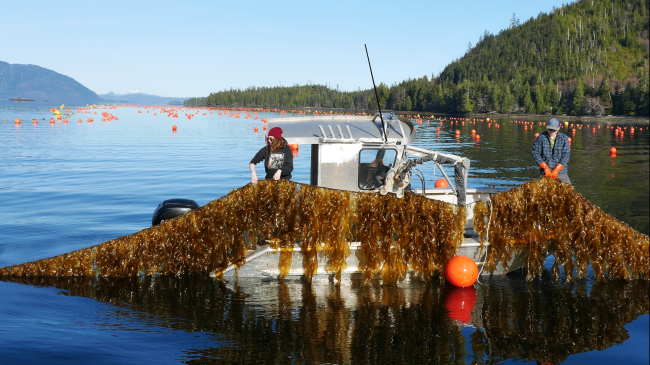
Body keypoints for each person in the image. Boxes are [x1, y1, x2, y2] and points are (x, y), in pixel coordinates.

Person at [532, 118, 571, 184]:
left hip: (561, 172)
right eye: (550, 129)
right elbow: (535, 153)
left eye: (554, 129)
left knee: (569, 193)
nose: (552, 131)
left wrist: (556, 170)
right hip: (545, 173)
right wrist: (545, 168)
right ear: (547, 127)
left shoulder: (564, 138)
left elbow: (566, 155)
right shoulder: (541, 137)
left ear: (558, 128)